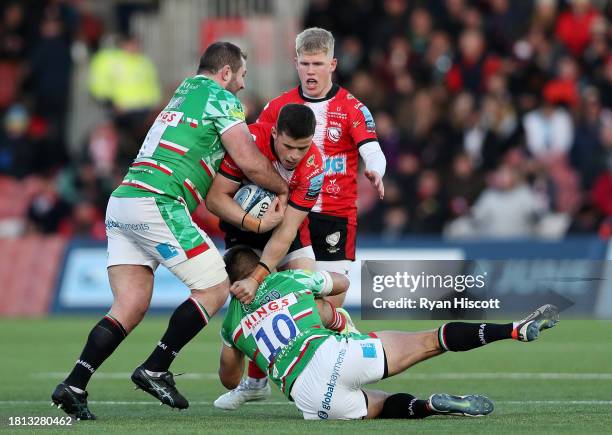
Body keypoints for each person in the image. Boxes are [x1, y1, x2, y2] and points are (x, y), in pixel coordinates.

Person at [51, 41, 289, 420]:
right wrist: (284, 188)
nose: (243, 86)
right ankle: (156, 367)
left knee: (129, 305)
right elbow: (248, 160)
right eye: (242, 76)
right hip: (158, 200)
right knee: (214, 286)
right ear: (225, 72)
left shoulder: (185, 90)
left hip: (124, 199)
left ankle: (74, 384)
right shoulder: (219, 96)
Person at [214, 26, 387, 409]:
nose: (311, 71)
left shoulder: (352, 108)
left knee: (329, 300)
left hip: (335, 215)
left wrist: (376, 168)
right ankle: (259, 381)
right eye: (305, 63)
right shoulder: (278, 107)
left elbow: (371, 147)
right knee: (272, 299)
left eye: (318, 64)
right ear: (295, 63)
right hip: (290, 214)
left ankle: (339, 357)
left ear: (332, 64)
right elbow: (254, 152)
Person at [218, 246, 559, 420]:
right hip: (333, 354)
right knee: (431, 340)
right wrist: (315, 296)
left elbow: (230, 380)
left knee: (378, 406)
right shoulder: (286, 279)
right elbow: (342, 283)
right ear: (260, 266)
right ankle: (513, 330)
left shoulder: (231, 322)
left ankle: (427, 407)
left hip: (307, 396)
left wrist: (234, 342)